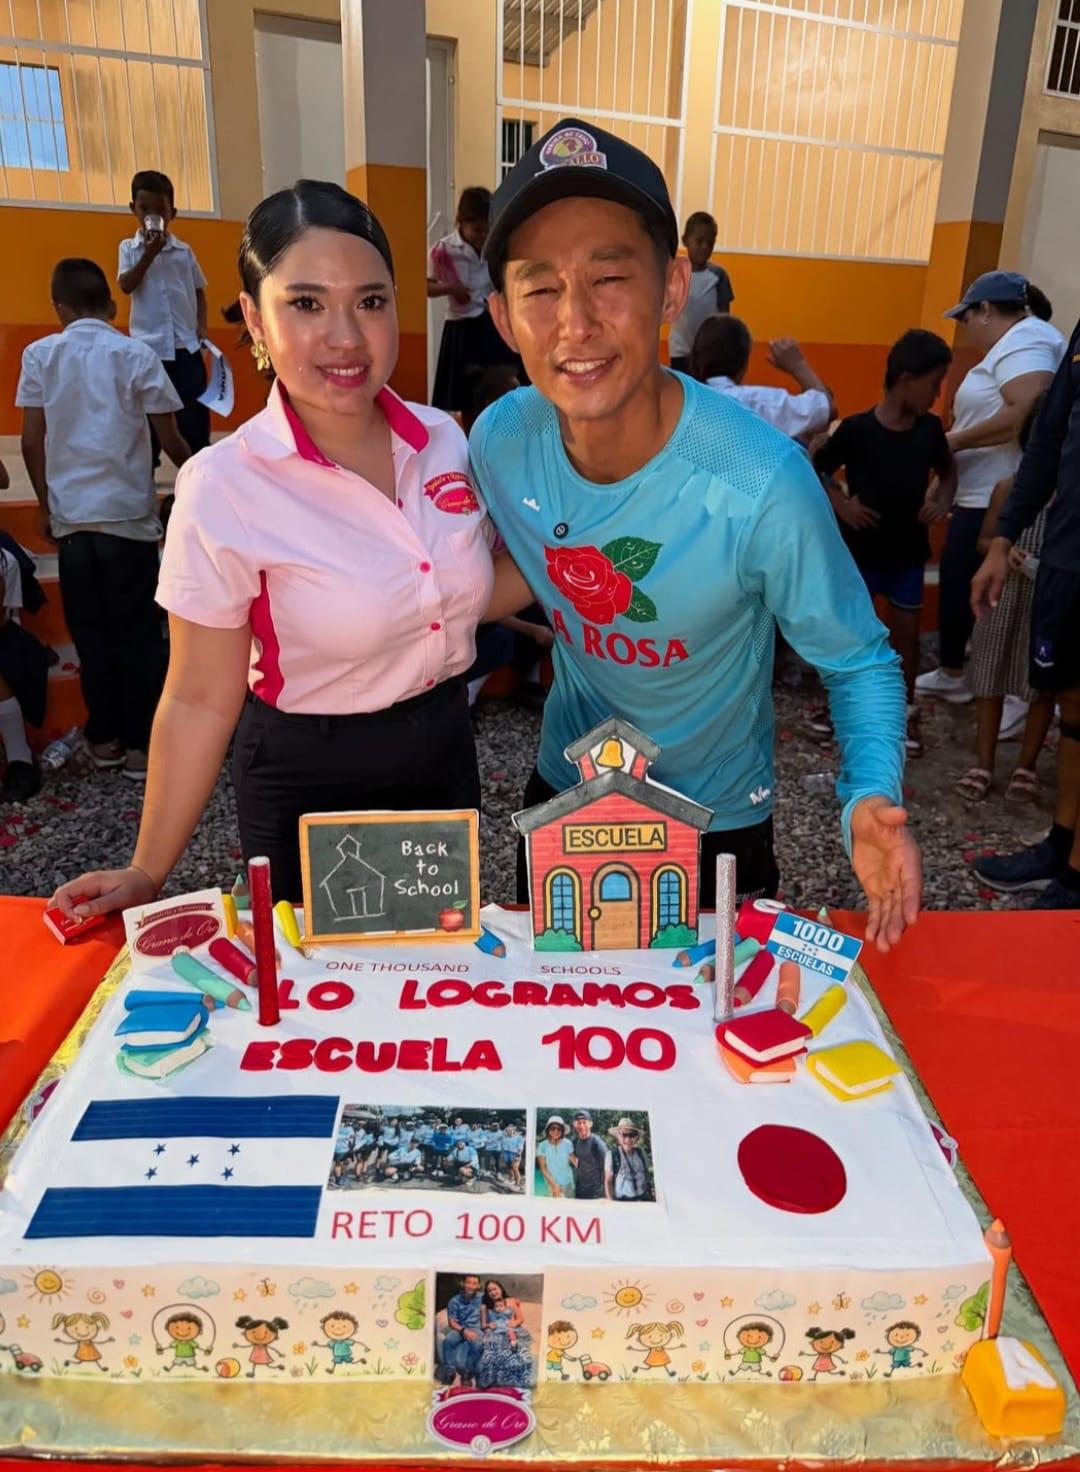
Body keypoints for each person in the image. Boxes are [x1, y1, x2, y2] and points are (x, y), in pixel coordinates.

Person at [475, 118, 917, 948]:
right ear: (501, 315)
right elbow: (527, 562)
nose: (576, 322)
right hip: (568, 791)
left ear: (674, 288)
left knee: (706, 1026)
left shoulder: (759, 483)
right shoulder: (501, 440)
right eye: (540, 289)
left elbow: (858, 660)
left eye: (610, 277)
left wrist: (868, 795)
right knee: (556, 1005)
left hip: (713, 819)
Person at [52, 181, 496, 920]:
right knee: (316, 984)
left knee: (437, 968)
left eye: (371, 301)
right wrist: (146, 870)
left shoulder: (444, 441)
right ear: (256, 318)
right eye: (307, 304)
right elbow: (198, 697)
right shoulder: (224, 486)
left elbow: (454, 592)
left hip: (444, 751)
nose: (346, 337)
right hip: (313, 779)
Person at [17, 258, 191, 784]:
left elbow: (31, 441)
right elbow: (170, 438)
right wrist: (202, 475)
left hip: (74, 522)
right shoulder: (136, 354)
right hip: (129, 520)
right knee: (138, 635)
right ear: (112, 306)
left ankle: (105, 739)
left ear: (59, 308)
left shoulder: (40, 355)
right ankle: (141, 747)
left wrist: (45, 505)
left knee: (90, 636)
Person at [971, 313, 1080, 908]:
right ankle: (1061, 847)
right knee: (1070, 701)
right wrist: (1004, 539)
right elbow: (1048, 440)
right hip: (1067, 552)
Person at [916, 272, 1064, 704]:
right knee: (963, 584)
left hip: (999, 496)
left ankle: (1006, 692)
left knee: (992, 597)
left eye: (966, 319)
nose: (966, 330)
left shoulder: (1027, 338)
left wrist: (951, 442)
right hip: (980, 490)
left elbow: (1026, 410)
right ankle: (960, 672)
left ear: (985, 310)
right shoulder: (1015, 344)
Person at [813, 329, 955, 757]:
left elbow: (948, 472)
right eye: (934, 383)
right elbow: (816, 468)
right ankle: (840, 706)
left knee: (907, 636)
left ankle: (904, 710)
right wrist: (841, 504)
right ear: (906, 379)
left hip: (907, 553)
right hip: (860, 554)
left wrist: (940, 501)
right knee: (851, 633)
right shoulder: (857, 429)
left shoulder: (930, 430)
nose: (937, 394)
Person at [957, 399, 1055, 803]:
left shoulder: (1070, 499)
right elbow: (984, 541)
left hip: (1048, 601)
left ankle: (1026, 766)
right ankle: (984, 762)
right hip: (1003, 596)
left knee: (1043, 683)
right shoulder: (1008, 489)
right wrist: (1004, 551)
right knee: (990, 675)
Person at [118, 169, 210, 469]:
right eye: (145, 209)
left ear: (173, 213)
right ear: (133, 209)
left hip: (185, 345)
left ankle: (200, 467)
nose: (152, 216)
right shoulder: (128, 249)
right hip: (149, 348)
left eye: (160, 210)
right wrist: (148, 254)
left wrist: (201, 325)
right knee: (150, 414)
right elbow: (126, 285)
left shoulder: (184, 252)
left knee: (193, 409)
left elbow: (198, 291)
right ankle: (148, 470)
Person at [428, 186, 521, 414]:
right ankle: (472, 432)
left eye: (487, 230)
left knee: (502, 381)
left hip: (490, 323)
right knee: (464, 394)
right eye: (477, 230)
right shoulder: (443, 251)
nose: (483, 236)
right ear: (461, 223)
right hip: (461, 328)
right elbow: (426, 286)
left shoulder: (495, 247)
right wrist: (451, 288)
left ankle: (500, 424)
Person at [690, 314, 832, 442]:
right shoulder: (754, 402)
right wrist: (798, 366)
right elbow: (826, 409)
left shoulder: (685, 400)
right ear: (742, 363)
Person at [667, 211, 733, 373]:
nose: (705, 247)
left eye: (710, 243)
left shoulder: (718, 275)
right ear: (685, 240)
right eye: (699, 241)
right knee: (682, 387)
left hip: (709, 352)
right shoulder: (674, 273)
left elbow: (725, 316)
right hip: (680, 350)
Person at [477, 1279, 533, 1389]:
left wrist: (514, 1323)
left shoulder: (511, 1301)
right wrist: (489, 1325)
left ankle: (516, 1383)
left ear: (500, 1288)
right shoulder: (485, 1306)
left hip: (511, 1329)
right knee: (493, 1351)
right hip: (495, 1332)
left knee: (520, 1352)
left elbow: (520, 1318)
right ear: (487, 1293)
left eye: (495, 1289)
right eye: (489, 1291)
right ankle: (495, 1383)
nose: (493, 1292)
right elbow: (483, 1326)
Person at [441, 1275, 483, 1386]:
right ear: (463, 1284)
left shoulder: (482, 1297)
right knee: (448, 1340)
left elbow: (499, 1297)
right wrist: (464, 1331)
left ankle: (467, 1373)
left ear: (478, 1286)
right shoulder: (454, 1301)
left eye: (474, 1283)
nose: (471, 1286)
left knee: (478, 1345)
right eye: (468, 1282)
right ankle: (450, 1371)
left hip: (476, 1329)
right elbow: (451, 1322)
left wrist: (513, 1300)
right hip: (461, 1328)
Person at [569, 1110, 611, 1201]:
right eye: (579, 1123)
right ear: (575, 1125)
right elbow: (577, 1162)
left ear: (590, 1124)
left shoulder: (597, 1143)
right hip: (580, 1189)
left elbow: (607, 1169)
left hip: (596, 1191)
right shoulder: (575, 1142)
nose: (581, 1126)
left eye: (584, 1122)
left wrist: (607, 1194)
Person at [607, 1116, 653, 1202]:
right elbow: (608, 1182)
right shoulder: (612, 1155)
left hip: (643, 1198)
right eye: (623, 1135)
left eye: (631, 1135)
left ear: (636, 1137)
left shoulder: (641, 1153)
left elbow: (646, 1175)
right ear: (618, 1137)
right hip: (623, 1201)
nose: (628, 1139)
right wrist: (611, 1204)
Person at [535, 1115, 575, 1198]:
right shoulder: (542, 1146)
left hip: (568, 1182)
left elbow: (574, 1160)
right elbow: (543, 1169)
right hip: (551, 1182)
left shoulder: (568, 1143)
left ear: (562, 1130)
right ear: (548, 1130)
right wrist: (554, 1185)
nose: (556, 1131)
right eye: (553, 1128)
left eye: (559, 1129)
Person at [500, 1121, 525, 1188]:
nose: (508, 1132)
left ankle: (517, 1184)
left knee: (515, 1168)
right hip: (506, 1153)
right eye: (507, 1131)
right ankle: (511, 1179)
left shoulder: (519, 1137)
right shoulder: (504, 1137)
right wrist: (502, 1154)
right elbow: (503, 1146)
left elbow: (520, 1147)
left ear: (513, 1130)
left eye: (510, 1130)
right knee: (509, 1167)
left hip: (515, 1154)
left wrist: (518, 1155)